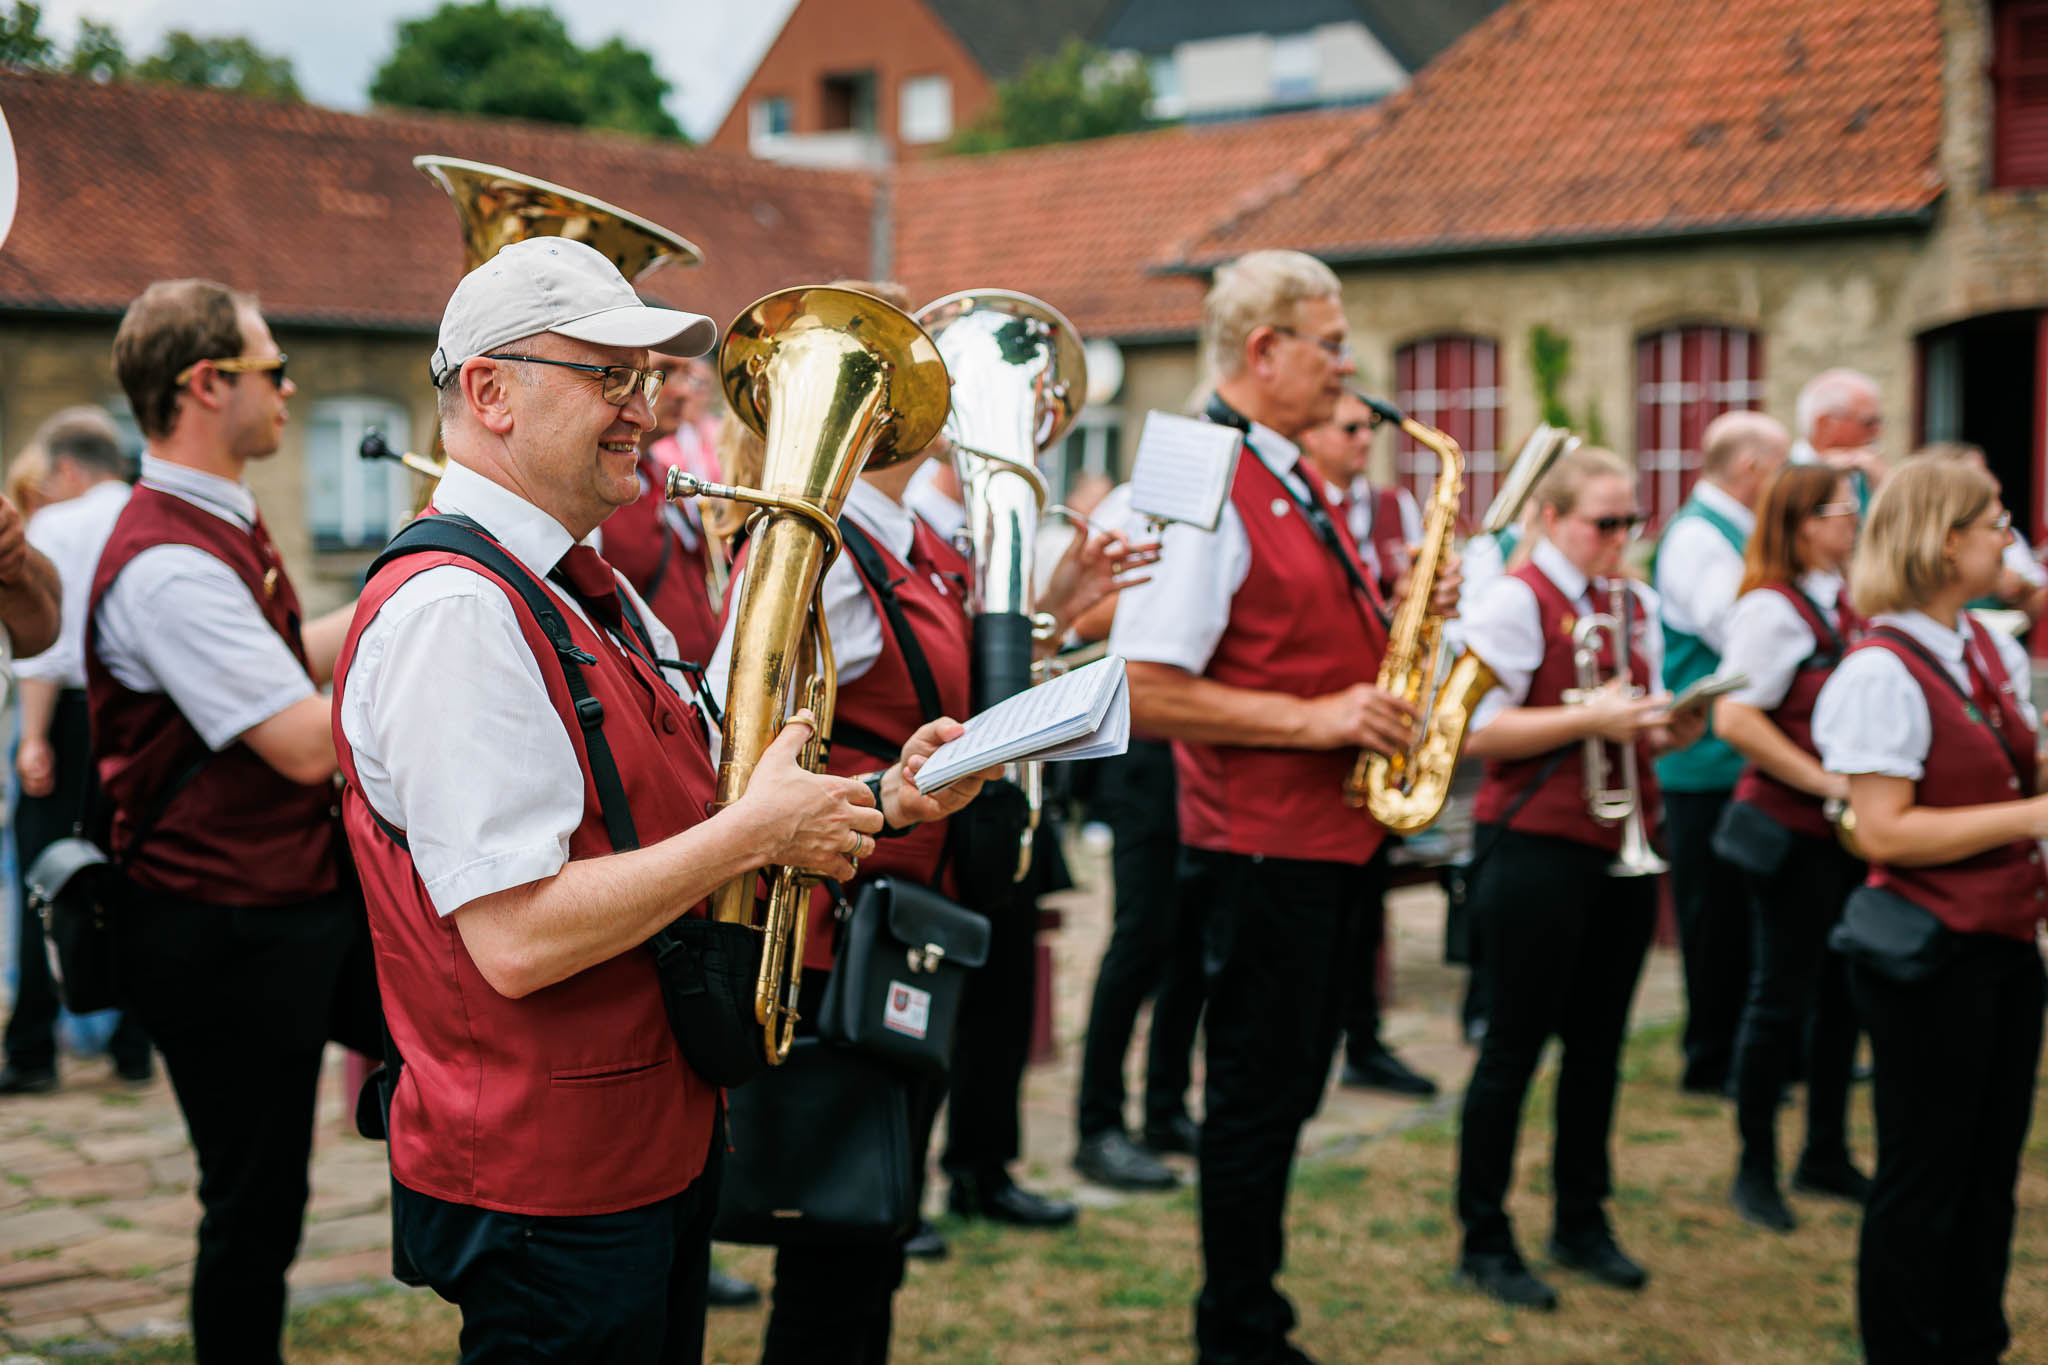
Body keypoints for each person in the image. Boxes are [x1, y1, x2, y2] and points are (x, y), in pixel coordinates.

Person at [335, 241, 988, 1362]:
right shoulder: (457, 612)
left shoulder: (581, 588)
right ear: (489, 392)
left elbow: (692, 800)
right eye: (608, 376)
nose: (642, 408)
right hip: (549, 1174)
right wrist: (752, 833)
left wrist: (882, 795)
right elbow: (518, 938)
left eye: (642, 379)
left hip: (641, 1143)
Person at [1112, 249, 1448, 1365]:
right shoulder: (1195, 467)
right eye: (1331, 343)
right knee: (1258, 1104)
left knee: (1291, 1089)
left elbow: (1279, 623)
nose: (1347, 366)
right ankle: (1237, 1331)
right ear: (1265, 350)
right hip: (1261, 848)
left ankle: (1253, 1311)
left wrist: (1401, 603)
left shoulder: (1284, 466)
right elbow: (1143, 685)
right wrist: (1317, 719)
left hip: (1326, 839)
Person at [94, 278, 382, 1361]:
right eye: (274, 369)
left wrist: (409, 577)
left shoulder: (211, 516)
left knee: (452, 1052)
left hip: (283, 897)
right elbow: (303, 743)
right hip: (213, 922)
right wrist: (419, 664)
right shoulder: (167, 562)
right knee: (255, 1203)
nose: (290, 390)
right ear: (208, 384)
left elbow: (280, 662)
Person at [1453, 445, 1703, 1311]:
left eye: (1632, 520)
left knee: (1599, 1046)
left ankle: (1581, 1217)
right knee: (1513, 1047)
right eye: (1605, 522)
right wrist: (1585, 717)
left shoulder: (1633, 600)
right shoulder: (1515, 600)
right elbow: (1473, 729)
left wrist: (1667, 726)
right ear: (1553, 519)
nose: (1621, 536)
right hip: (1534, 845)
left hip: (1620, 843)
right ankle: (1483, 1234)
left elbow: (1639, 717)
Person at [1812, 457, 2046, 1365]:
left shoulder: (1982, 643)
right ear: (1946, 542)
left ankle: (1974, 1341)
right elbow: (1883, 831)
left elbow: (2011, 768)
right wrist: (2032, 817)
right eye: (1996, 523)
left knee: (1990, 1171)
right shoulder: (1881, 669)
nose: (2009, 540)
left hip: (2004, 946)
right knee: (1924, 1176)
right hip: (1929, 955)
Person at [1711, 465, 1868, 1232]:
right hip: (1788, 836)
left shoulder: (1840, 598)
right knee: (1778, 1000)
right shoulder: (1772, 610)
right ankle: (1755, 1166)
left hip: (1838, 839)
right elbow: (1736, 718)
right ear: (1806, 523)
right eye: (1844, 509)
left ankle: (1825, 1152)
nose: (1855, 520)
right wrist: (1825, 781)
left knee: (1841, 998)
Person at [0, 408, 151, 1096]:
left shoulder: (57, 525)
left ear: (66, 468)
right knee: (132, 870)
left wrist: (33, 737)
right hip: (139, 715)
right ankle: (134, 1046)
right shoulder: (147, 516)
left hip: (67, 714)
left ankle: (33, 1049)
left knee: (45, 878)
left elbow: (45, 649)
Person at [1295, 393, 1437, 1099]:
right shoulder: (1299, 507)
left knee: (1368, 899)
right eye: (1349, 427)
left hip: (1378, 718)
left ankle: (1364, 1038)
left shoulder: (1392, 506)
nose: (1363, 440)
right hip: (1319, 719)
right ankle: (1312, 1044)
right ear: (1311, 433)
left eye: (1369, 428)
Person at [1071, 481, 1204, 1192]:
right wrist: (1176, 602)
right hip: (1145, 747)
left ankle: (1166, 1109)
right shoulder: (1136, 499)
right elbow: (1082, 615)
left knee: (1192, 942)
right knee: (1140, 938)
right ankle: (1097, 1126)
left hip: (1205, 742)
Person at [1652, 410, 1788, 1095]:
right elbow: (1735, 629)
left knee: (1741, 914)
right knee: (1713, 920)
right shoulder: (1700, 538)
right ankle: (1710, 1059)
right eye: (1781, 466)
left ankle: (1745, 1049)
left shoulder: (1731, 529)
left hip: (1728, 757)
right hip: (1701, 759)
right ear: (1750, 468)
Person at [597, 350, 724, 664]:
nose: (683, 392)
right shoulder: (594, 487)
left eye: (687, 376)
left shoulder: (661, 474)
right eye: (664, 373)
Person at [1792, 368, 1890, 510]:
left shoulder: (1868, 475)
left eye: (1879, 421)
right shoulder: (1781, 476)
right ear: (1825, 424)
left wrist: (1885, 485)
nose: (1878, 431)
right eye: (1869, 422)